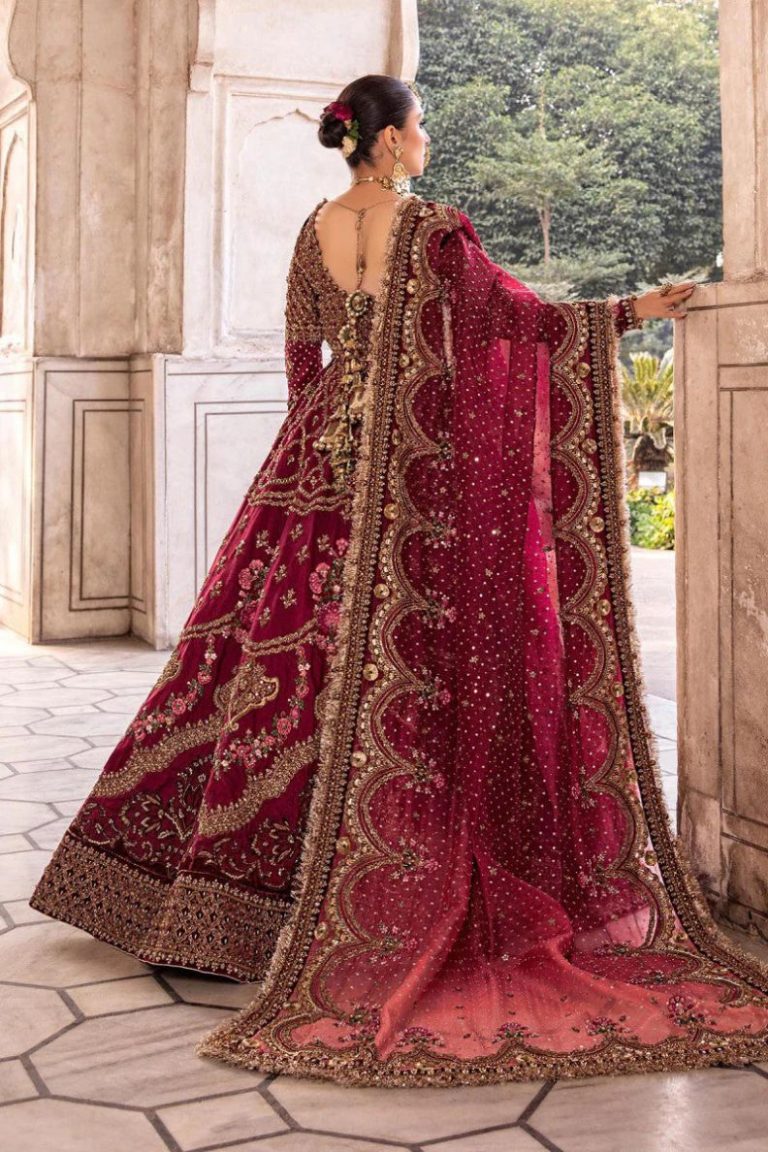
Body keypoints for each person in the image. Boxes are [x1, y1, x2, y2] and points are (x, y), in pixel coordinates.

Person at [30, 73, 768, 1089]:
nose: (426, 141)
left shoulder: (314, 229)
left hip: (318, 460)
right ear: (385, 140)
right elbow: (513, 321)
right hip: (412, 469)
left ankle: (221, 903)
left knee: (268, 665)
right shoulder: (431, 229)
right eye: (419, 127)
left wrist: (320, 444)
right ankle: (377, 885)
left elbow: (305, 357)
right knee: (406, 667)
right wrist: (630, 311)